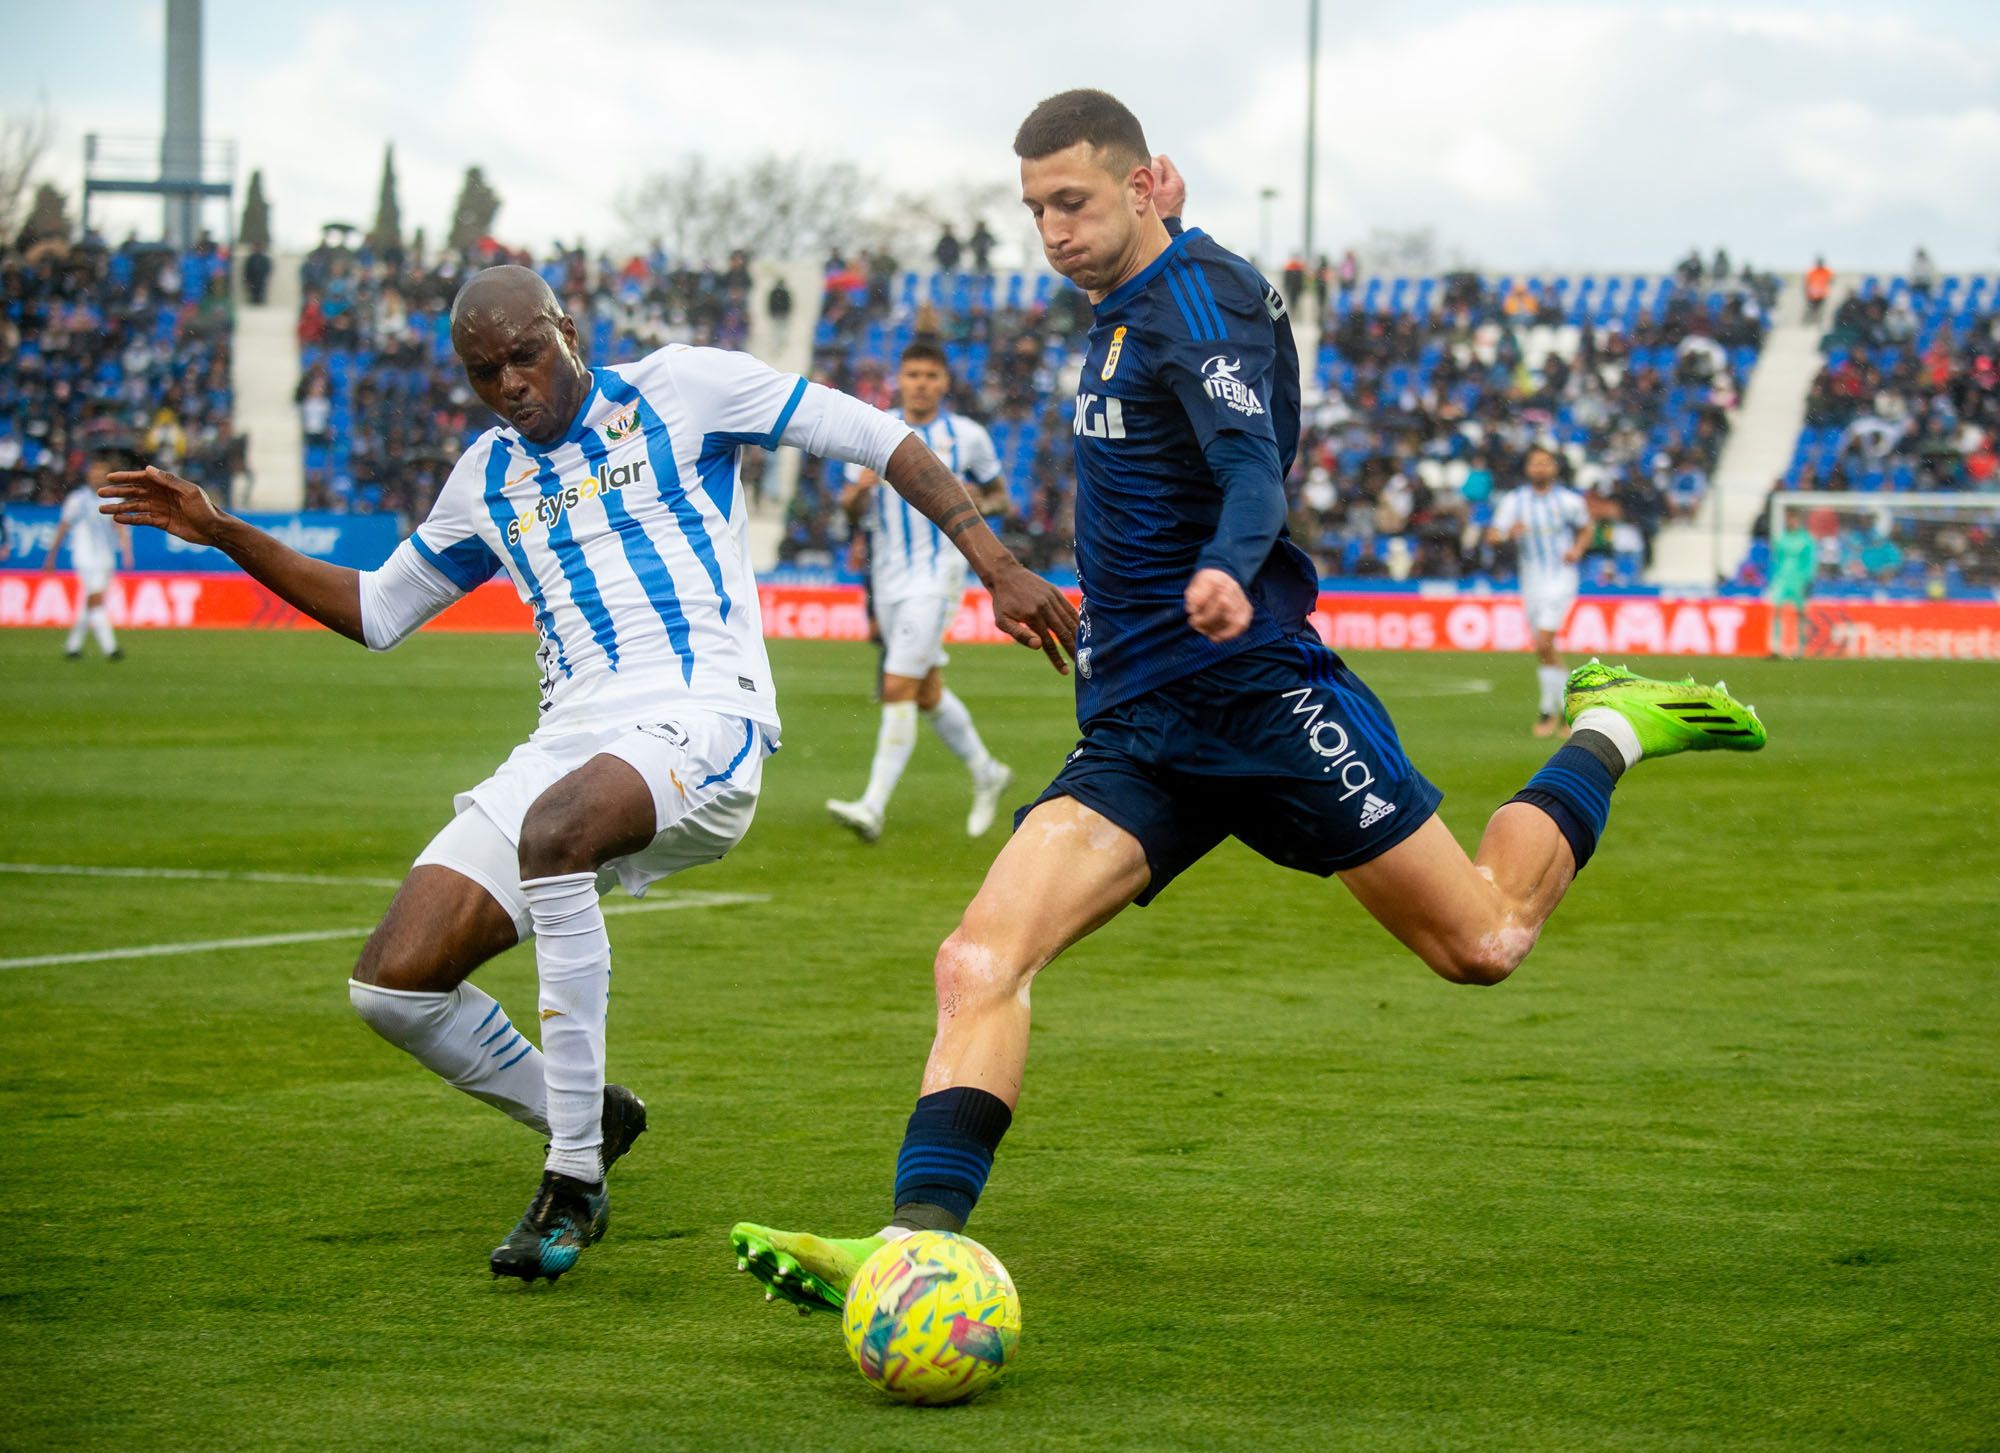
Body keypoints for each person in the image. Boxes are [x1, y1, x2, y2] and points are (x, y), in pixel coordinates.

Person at [727, 89, 1767, 1315]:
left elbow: (1245, 466)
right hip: (1139, 729)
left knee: (1481, 940)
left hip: (1258, 700)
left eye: (1071, 201)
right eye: (1033, 210)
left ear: (1145, 181)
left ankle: (1608, 723)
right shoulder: (1116, 313)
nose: (1051, 230)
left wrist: (1226, 564)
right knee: (976, 958)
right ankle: (912, 1246)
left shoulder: (1197, 301)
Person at [99, 264, 1075, 1285]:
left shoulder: (683, 388)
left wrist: (994, 561)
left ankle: (573, 1179)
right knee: (392, 984)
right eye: (485, 371)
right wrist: (222, 532)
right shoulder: (485, 476)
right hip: (568, 741)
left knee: (555, 834)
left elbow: (877, 436)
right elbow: (378, 611)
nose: (511, 382)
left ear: (564, 329)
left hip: (705, 717)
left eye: (524, 353)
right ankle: (593, 1113)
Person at [826, 341, 1015, 842]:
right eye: (913, 374)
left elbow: (1000, 498)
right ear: (900, 379)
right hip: (888, 577)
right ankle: (987, 771)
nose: (922, 383)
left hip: (937, 576)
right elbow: (847, 512)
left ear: (945, 383)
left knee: (897, 687)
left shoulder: (967, 436)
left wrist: (978, 500)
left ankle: (872, 806)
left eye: (932, 375)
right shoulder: (873, 428)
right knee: (926, 691)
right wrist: (860, 490)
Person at [1486, 444, 1593, 736]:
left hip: (1561, 579)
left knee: (1544, 644)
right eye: (1536, 463)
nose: (1541, 468)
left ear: (1555, 468)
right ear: (1527, 468)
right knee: (1544, 649)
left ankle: (1549, 712)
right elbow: (1493, 535)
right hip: (1530, 582)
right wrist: (1508, 533)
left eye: (1546, 463)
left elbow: (1587, 528)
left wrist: (1578, 550)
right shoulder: (1515, 501)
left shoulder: (1569, 501)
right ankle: (1573, 710)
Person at [46, 445, 137, 661]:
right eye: (93, 472)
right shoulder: (77, 500)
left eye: (100, 473)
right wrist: (51, 555)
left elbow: (120, 527)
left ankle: (73, 646)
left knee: (90, 601)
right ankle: (110, 648)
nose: (96, 476)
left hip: (106, 557)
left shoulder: (113, 500)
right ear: (88, 475)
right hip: (85, 556)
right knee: (95, 600)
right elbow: (63, 527)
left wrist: (126, 551)